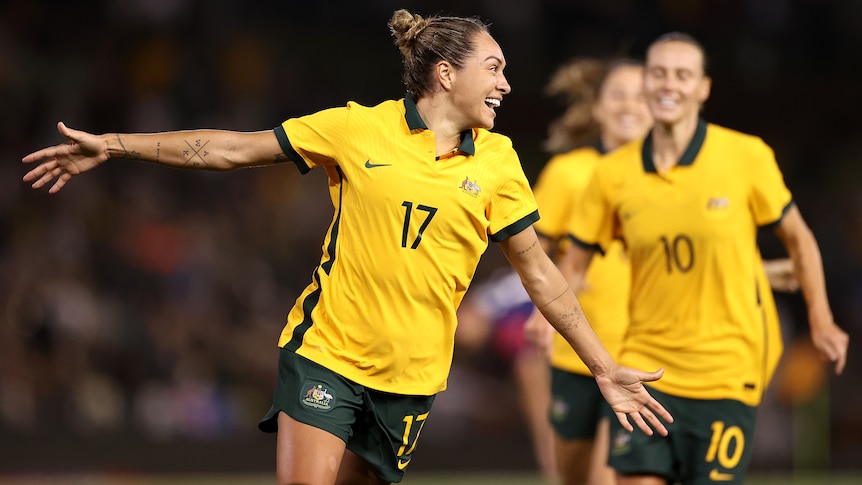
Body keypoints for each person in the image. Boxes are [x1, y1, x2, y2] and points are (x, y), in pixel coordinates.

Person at [21, 10, 674, 485]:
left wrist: (602, 364)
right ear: (447, 74)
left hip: (412, 381)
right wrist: (116, 143)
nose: (506, 81)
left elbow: (541, 274)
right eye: (494, 66)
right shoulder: (356, 128)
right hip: (327, 354)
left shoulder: (501, 162)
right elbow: (231, 149)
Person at [542, 32, 848, 485]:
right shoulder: (610, 176)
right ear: (646, 84)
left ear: (703, 88)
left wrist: (821, 320)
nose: (670, 85)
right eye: (659, 73)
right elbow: (570, 266)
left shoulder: (746, 156)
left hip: (726, 371)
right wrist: (546, 308)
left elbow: (800, 240)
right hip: (646, 367)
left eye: (683, 75)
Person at [529, 57, 653, 485]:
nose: (629, 105)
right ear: (597, 108)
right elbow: (532, 257)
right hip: (576, 349)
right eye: (618, 94)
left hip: (650, 350)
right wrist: (538, 314)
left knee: (628, 474)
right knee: (574, 476)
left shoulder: (678, 177)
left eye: (641, 96)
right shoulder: (568, 173)